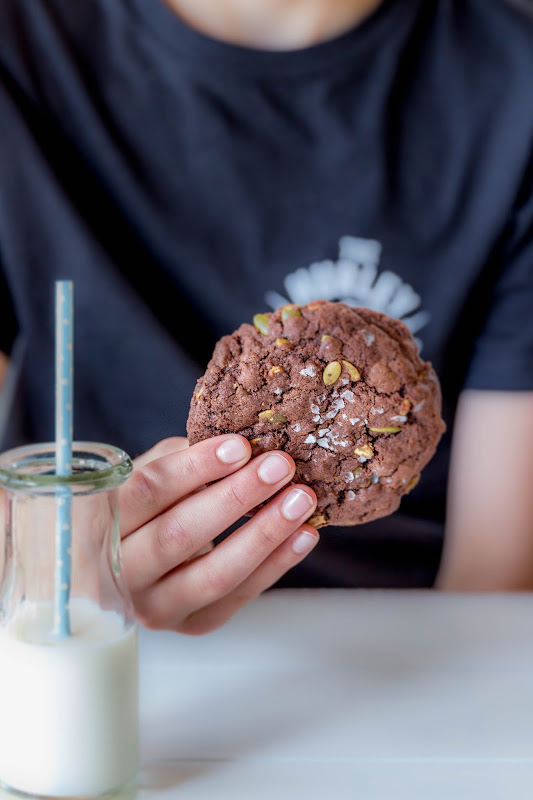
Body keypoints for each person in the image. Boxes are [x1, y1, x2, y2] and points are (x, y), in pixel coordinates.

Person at [1, 0, 533, 635]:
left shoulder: (511, 87)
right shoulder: (21, 59)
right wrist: (47, 569)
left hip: (405, 641)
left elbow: (497, 586)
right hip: (76, 644)